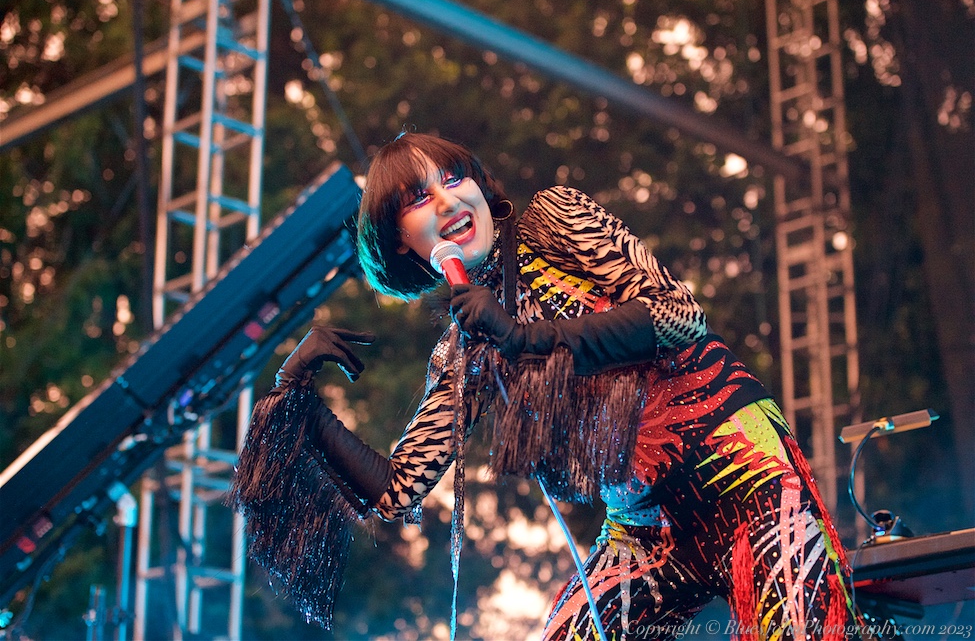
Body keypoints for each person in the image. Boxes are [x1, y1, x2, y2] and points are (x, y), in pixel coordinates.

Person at [230, 132, 863, 640]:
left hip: (741, 470)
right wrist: (296, 399)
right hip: (645, 530)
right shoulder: (463, 353)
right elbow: (396, 492)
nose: (449, 202)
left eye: (454, 180)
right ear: (401, 243)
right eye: (420, 199)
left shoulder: (555, 218)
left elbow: (677, 316)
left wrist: (528, 341)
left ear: (481, 190)